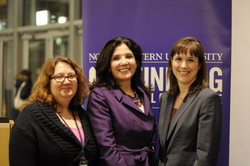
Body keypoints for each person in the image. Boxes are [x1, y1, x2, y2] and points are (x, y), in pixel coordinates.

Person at [9, 56, 99, 166]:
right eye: (59, 76)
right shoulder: (29, 117)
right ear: (48, 82)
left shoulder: (84, 115)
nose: (66, 81)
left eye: (71, 76)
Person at [87, 37, 157, 166]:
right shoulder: (100, 96)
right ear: (108, 66)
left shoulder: (142, 92)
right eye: (116, 58)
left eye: (129, 56)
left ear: (136, 62)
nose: (124, 62)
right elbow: (106, 148)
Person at [158, 37, 222, 166]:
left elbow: (206, 157)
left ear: (199, 65)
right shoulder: (165, 98)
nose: (183, 65)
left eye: (190, 60)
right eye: (178, 59)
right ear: (171, 62)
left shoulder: (207, 99)